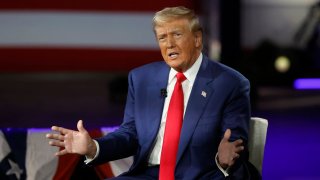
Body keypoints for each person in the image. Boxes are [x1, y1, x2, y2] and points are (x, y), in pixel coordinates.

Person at [46, 6, 260, 179]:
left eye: (177, 34)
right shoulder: (141, 79)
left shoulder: (230, 83)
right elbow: (130, 134)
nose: (169, 44)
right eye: (162, 38)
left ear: (197, 39)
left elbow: (234, 144)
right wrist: (94, 147)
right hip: (147, 174)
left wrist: (223, 161)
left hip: (201, 175)